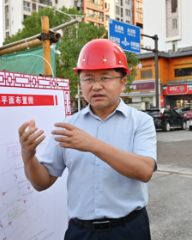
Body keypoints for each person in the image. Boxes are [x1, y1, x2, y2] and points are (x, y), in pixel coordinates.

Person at [18, 39, 157, 240]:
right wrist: (28, 156)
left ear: (122, 82)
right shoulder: (67, 127)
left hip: (129, 229)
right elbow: (42, 182)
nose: (96, 86)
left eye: (105, 77)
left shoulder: (140, 122)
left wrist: (93, 144)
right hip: (81, 232)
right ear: (80, 83)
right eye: (88, 79)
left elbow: (144, 171)